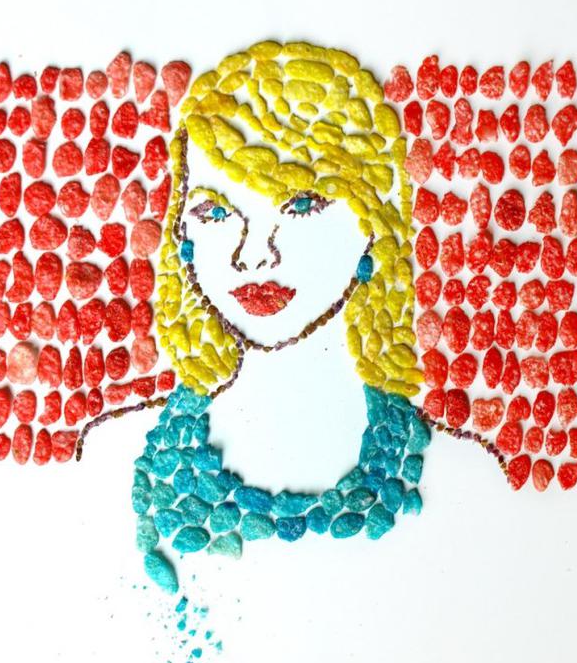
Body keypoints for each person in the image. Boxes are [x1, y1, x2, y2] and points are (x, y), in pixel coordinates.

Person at [80, 40, 501, 594]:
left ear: (373, 227)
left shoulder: (465, 481)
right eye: (213, 212)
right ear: (181, 234)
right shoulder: (121, 454)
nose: (253, 256)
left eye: (301, 205)